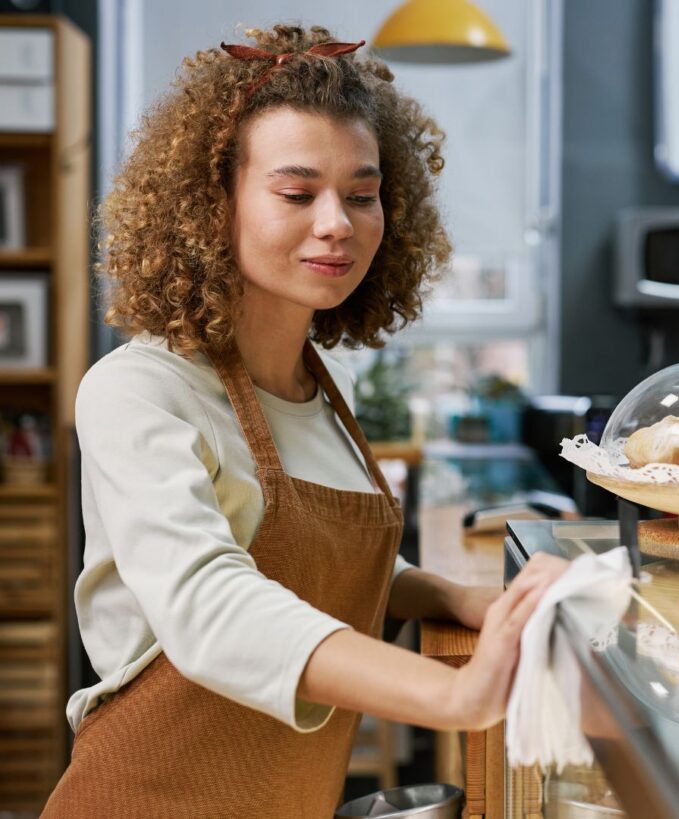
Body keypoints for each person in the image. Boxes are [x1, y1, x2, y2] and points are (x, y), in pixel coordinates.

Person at [42, 24, 566, 817]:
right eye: (297, 193)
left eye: (362, 194)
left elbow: (322, 566)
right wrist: (453, 695)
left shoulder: (327, 385)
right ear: (212, 207)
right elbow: (211, 602)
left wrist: (450, 599)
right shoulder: (138, 390)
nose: (338, 223)